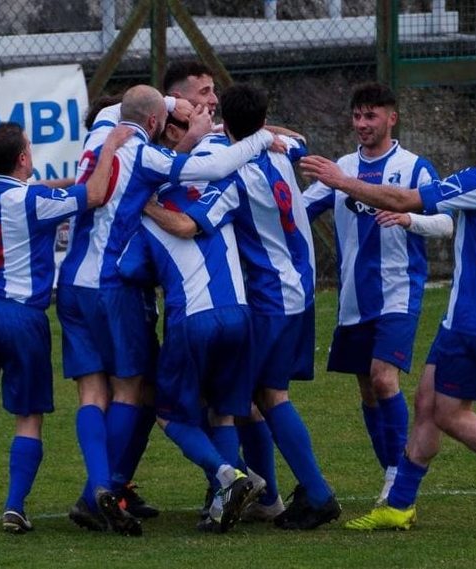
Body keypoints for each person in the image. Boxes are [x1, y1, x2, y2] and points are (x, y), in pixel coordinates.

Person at [301, 94, 476, 533]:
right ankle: (400, 503)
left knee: (449, 415)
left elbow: (403, 199)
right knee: (425, 403)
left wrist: (341, 181)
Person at [56, 84, 276, 536]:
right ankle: (117, 488)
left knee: (92, 394)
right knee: (132, 391)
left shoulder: (101, 131)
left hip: (73, 282)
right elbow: (211, 166)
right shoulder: (150, 161)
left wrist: (175, 107)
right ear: (157, 124)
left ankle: (99, 491)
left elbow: (128, 108)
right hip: (117, 288)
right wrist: (260, 138)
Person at [146, 83, 342, 530]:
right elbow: (297, 138)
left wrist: (148, 202)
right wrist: (259, 131)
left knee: (261, 398)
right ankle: (267, 495)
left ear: (227, 124)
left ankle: (310, 492)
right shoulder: (281, 148)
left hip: (271, 296)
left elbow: (188, 225)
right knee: (254, 395)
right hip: (302, 285)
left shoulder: (231, 177)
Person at [0, 120, 132, 533]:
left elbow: (46, 187)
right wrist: (110, 149)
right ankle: (14, 507)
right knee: (28, 416)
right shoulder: (36, 201)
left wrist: (77, 177)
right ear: (23, 157)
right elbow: (96, 195)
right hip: (22, 319)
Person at [302, 81, 453, 504]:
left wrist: (410, 221)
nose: (363, 123)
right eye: (357, 116)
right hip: (353, 298)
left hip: (398, 294)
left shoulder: (414, 168)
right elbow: (297, 209)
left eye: (372, 115)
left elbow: (446, 223)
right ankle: (389, 468)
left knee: (384, 379)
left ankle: (397, 478)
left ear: (392, 117)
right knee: (367, 388)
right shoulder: (341, 167)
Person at [118, 124, 259, 532]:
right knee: (224, 412)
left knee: (168, 412)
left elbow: (127, 270)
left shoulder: (149, 217)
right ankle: (221, 505)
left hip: (193, 320)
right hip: (239, 312)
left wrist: (142, 211)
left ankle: (226, 476)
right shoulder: (212, 198)